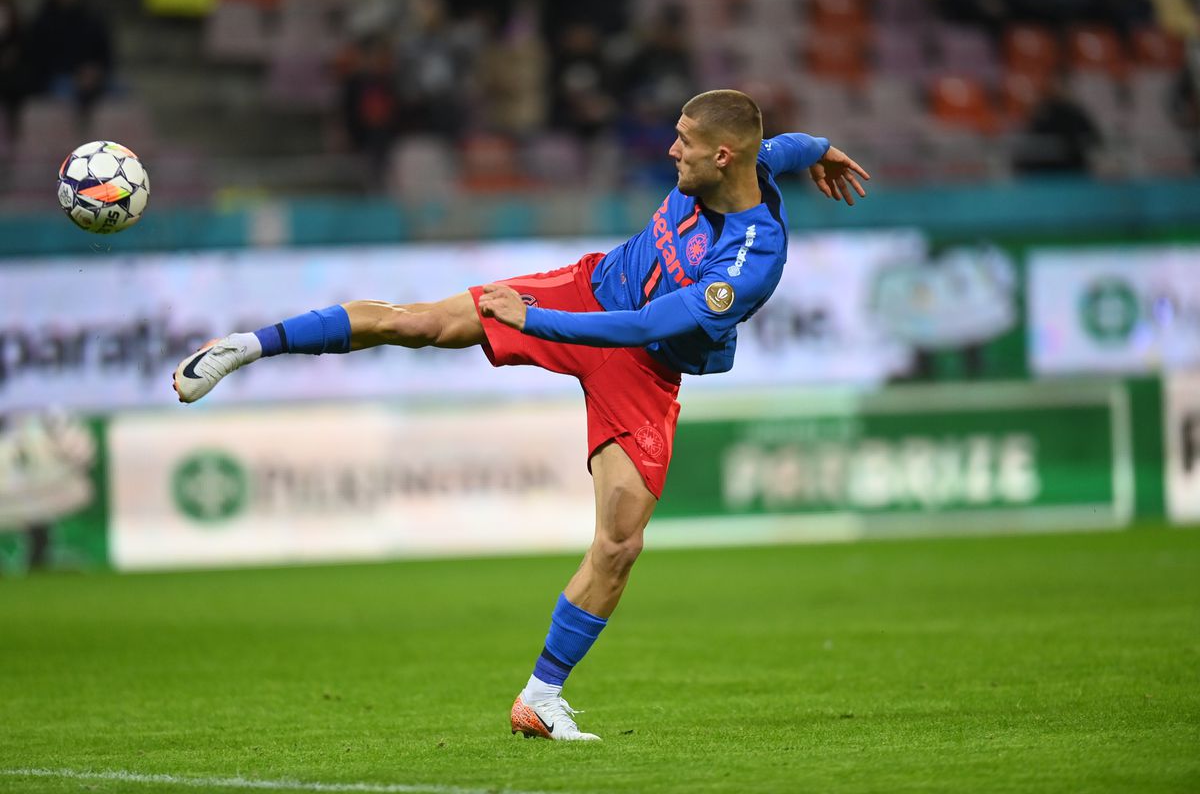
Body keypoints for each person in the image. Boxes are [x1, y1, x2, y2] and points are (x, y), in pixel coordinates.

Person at [172, 89, 869, 741]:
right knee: (419, 323)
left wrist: (537, 320)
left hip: (640, 362)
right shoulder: (754, 159)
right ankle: (246, 346)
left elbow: (647, 324)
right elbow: (789, 145)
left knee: (620, 544)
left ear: (724, 157)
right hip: (590, 287)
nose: (670, 153)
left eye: (684, 143)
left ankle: (539, 697)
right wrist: (827, 147)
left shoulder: (754, 255)